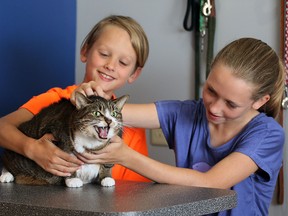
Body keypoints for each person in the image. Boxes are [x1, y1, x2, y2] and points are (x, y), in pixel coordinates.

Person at [73, 38, 285, 215]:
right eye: (211, 90)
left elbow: (210, 182)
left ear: (259, 102)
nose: (214, 108)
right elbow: (110, 113)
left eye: (231, 103)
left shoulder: (268, 135)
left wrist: (125, 156)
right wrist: (91, 97)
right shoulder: (185, 112)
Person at [0, 15, 150, 182]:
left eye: (123, 62)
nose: (111, 65)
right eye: (104, 54)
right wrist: (33, 149)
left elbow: (135, 189)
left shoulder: (130, 125)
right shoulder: (55, 101)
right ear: (85, 51)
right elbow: (2, 128)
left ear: (134, 73)